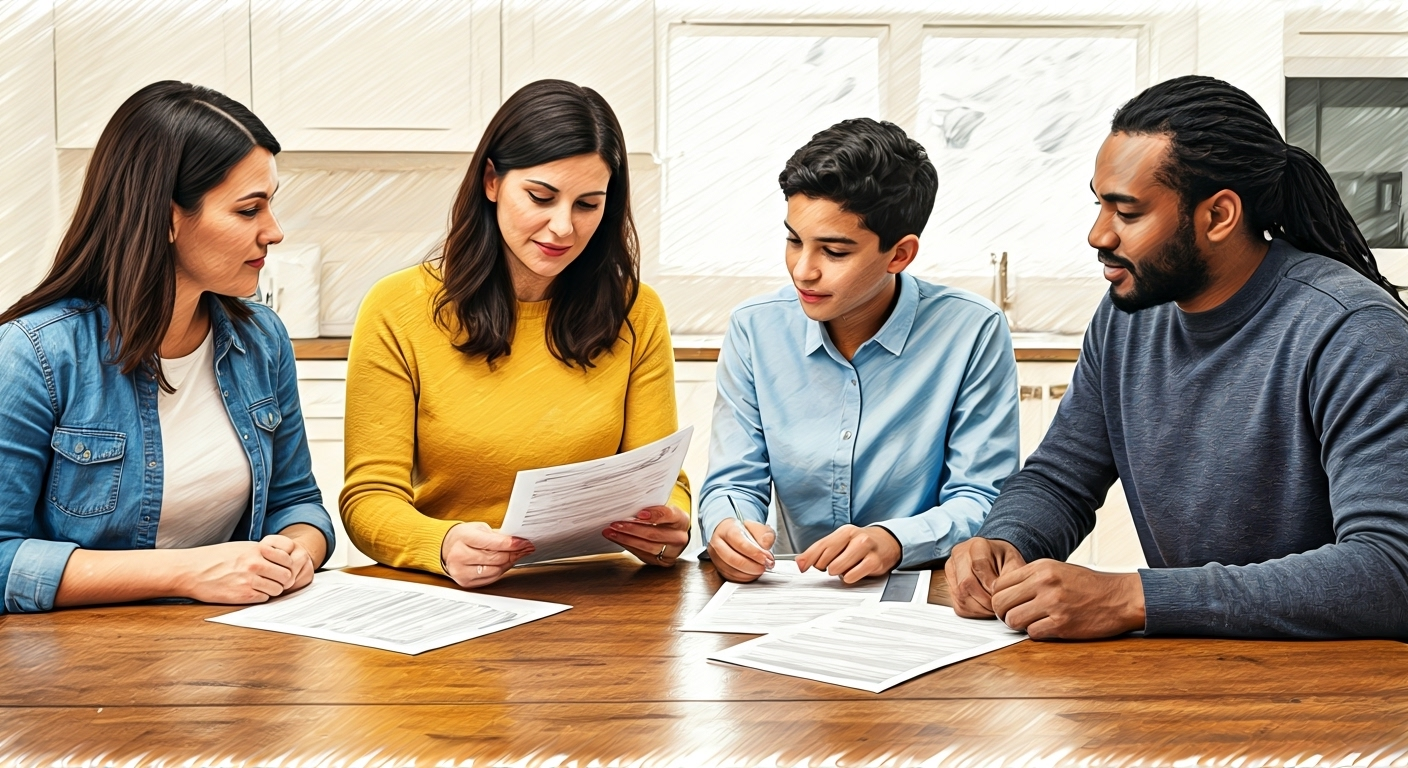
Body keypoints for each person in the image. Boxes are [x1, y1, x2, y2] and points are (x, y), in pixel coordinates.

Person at [945, 75, 1408, 640]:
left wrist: (1133, 596)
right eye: (1099, 205)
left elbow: (1388, 572)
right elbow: (1061, 478)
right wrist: (1006, 540)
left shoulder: (1352, 331)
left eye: (1128, 213)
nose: (1098, 234)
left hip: (1337, 695)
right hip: (1196, 668)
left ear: (1218, 216)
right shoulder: (1126, 315)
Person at [0, 81, 335, 614]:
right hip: (79, 669)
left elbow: (296, 503)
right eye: (249, 210)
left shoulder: (262, 339)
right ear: (167, 218)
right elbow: (2, 559)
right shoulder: (34, 355)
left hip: (236, 649)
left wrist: (296, 551)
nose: (274, 232)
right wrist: (190, 570)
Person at [340, 80, 690, 588]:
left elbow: (664, 481)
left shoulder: (636, 310)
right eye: (541, 197)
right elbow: (369, 497)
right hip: (453, 592)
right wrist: (439, 545)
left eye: (588, 204)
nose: (563, 227)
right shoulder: (399, 307)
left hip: (597, 594)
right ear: (491, 181)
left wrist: (667, 526)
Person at [700, 118, 1020, 584]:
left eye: (833, 251)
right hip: (791, 593)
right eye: (794, 240)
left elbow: (982, 497)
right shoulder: (755, 328)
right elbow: (733, 481)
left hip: (931, 590)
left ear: (900, 255)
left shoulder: (972, 331)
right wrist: (729, 527)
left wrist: (895, 540)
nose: (803, 271)